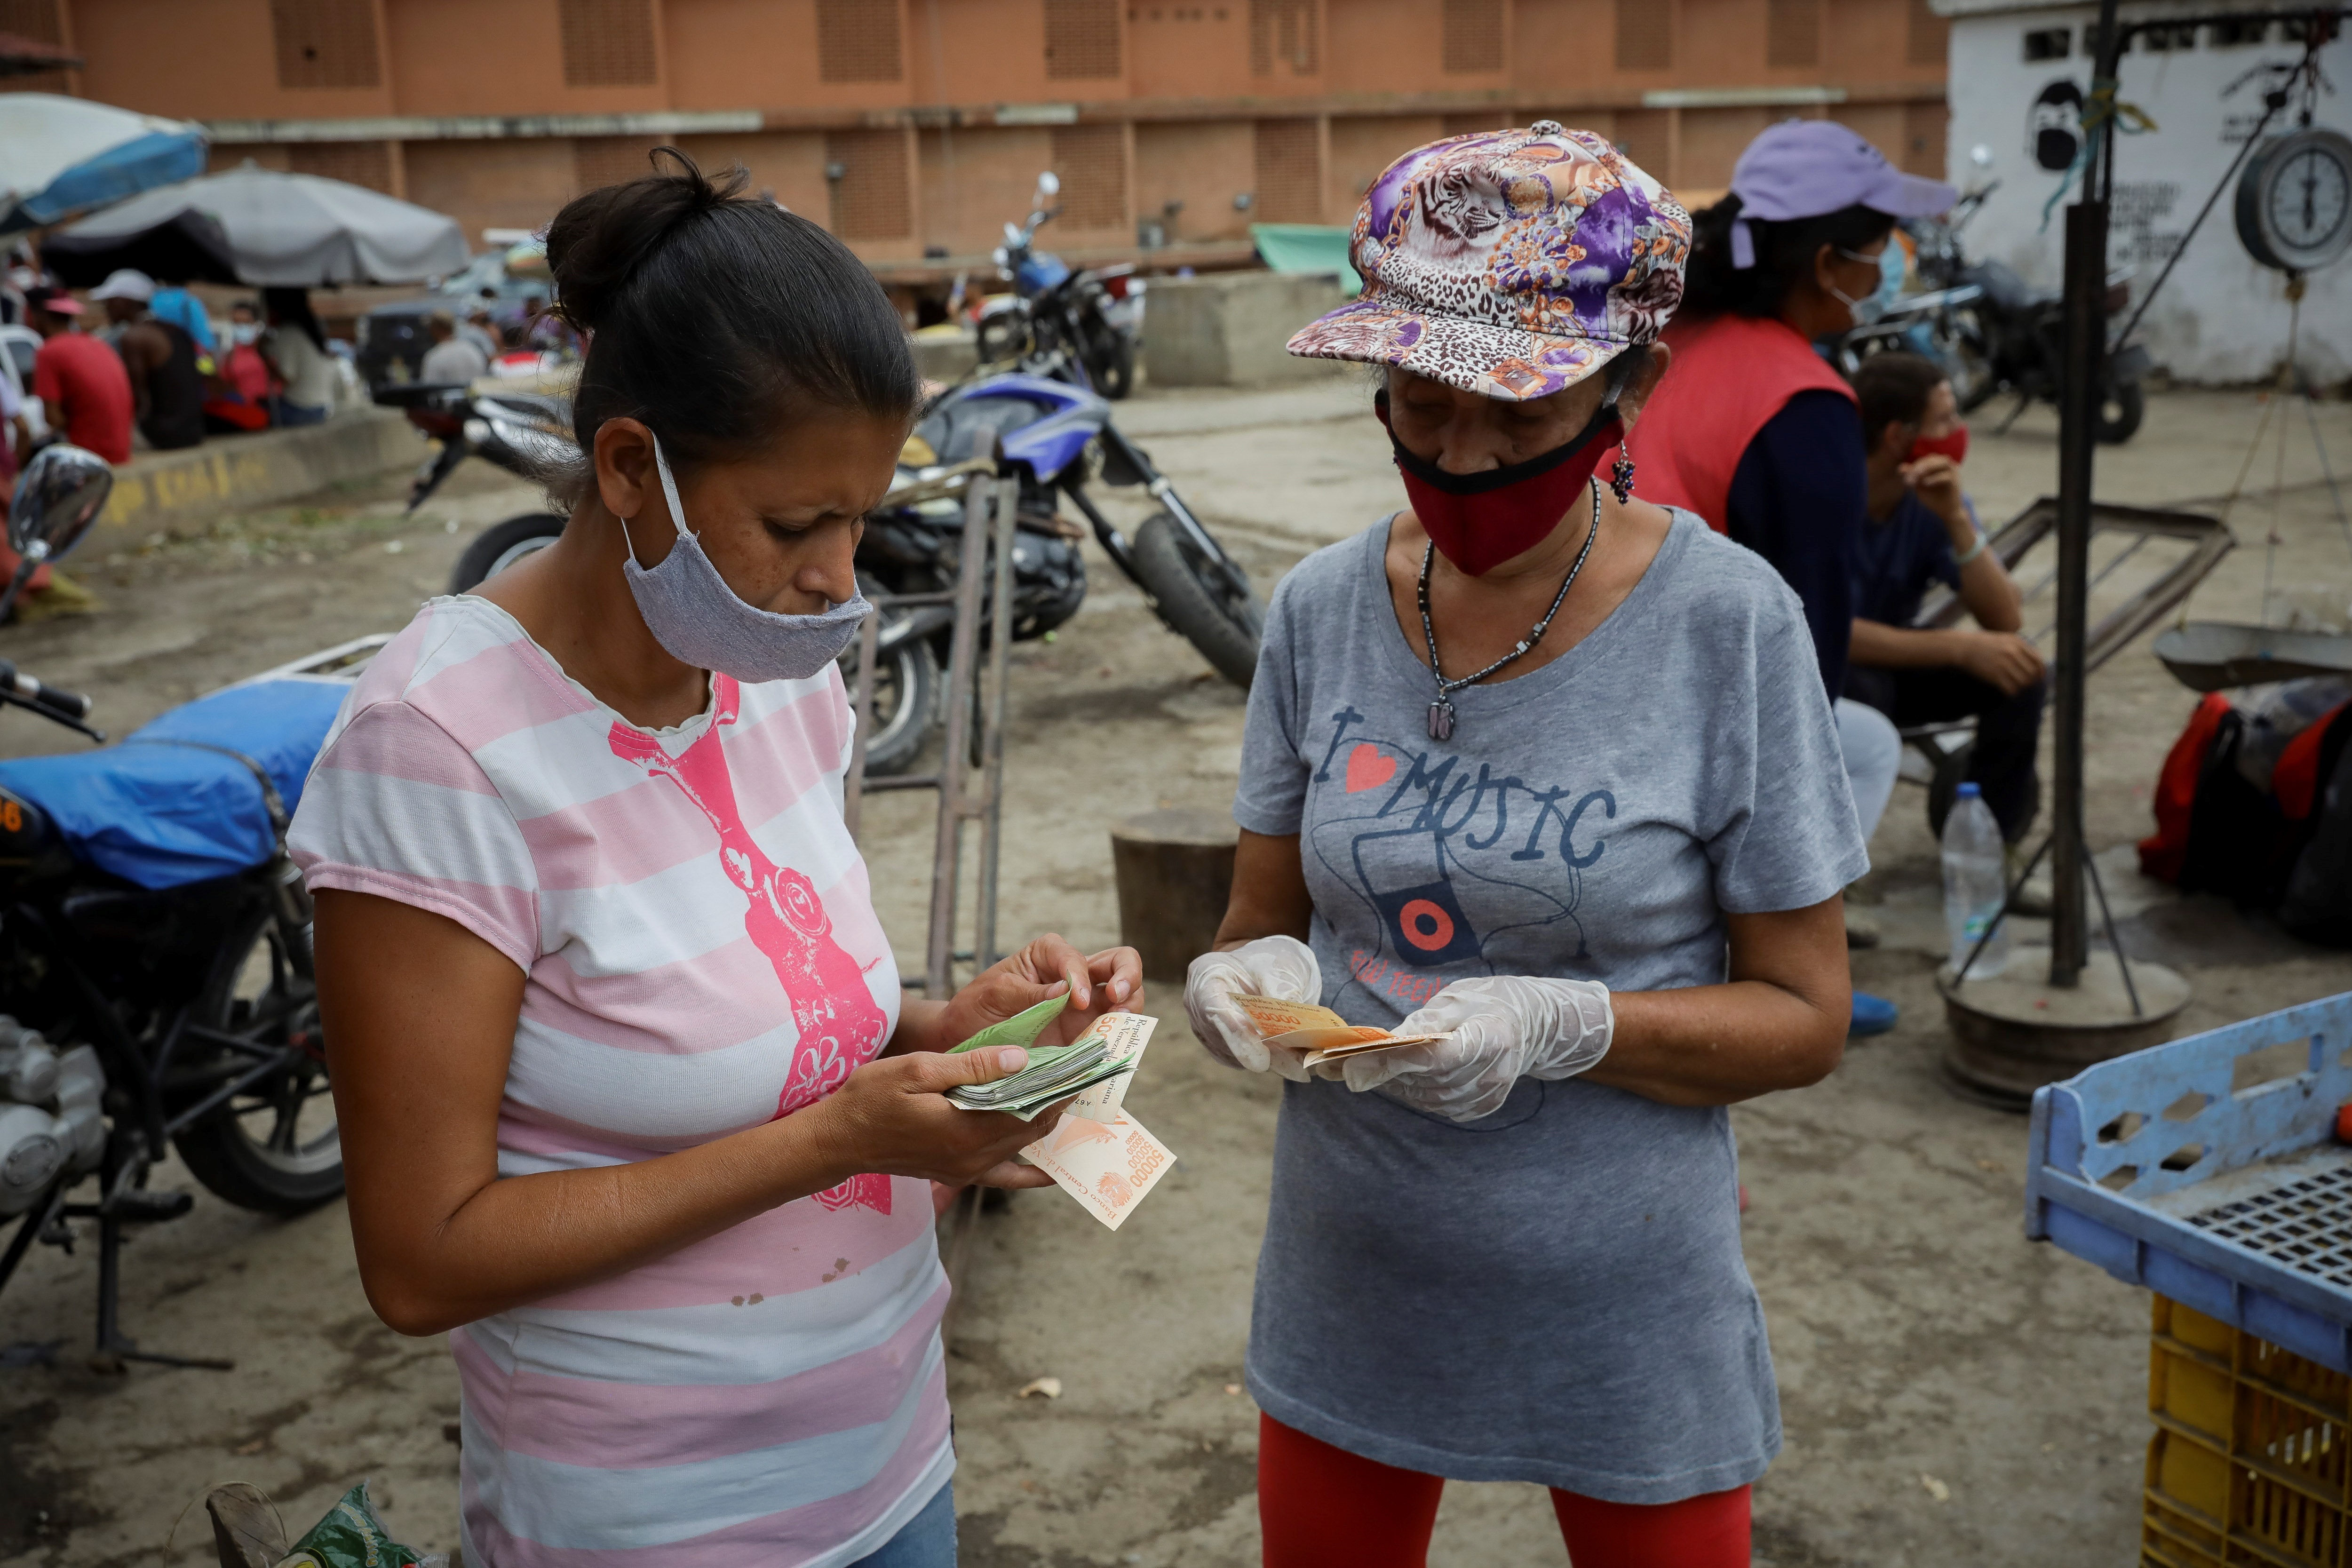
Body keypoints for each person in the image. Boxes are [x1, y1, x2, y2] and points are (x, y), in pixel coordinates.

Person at [291, 150, 1138, 1568]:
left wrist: (957, 1035)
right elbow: (423, 1257)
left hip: (889, 1456)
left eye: (859, 517)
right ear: (631, 468)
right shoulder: (438, 749)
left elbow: (789, 1032)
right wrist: (840, 1137)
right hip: (654, 1520)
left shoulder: (776, 674)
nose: (837, 577)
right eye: (797, 525)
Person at [1193, 123, 1861, 1568]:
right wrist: (1241, 976)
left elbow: (1806, 1017)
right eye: (1420, 409)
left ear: (1630, 387)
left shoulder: (1723, 627)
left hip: (1620, 1299)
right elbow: (1262, 912)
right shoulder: (1317, 610)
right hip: (1350, 1270)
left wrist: (1570, 1022)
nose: (1461, 457)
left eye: (1515, 417)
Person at [1622, 119, 1955, 1035]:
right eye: (1880, 250)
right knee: (1844, 738)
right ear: (1825, 263)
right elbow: (1809, 641)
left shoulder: (1669, 336)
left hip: (1590, 641)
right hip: (1672, 684)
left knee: (1857, 734)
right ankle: (1781, 964)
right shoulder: (1802, 401)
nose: (1886, 268)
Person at [1845, 352, 2048, 852]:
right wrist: (1957, 648)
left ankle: (1987, 850)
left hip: (1894, 661)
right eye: (1945, 419)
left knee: (2020, 672)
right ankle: (1832, 874)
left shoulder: (1931, 496)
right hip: (1823, 665)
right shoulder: (1827, 494)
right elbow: (1827, 632)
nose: (1958, 430)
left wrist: (1956, 519)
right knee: (1866, 693)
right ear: (1897, 435)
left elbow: (2005, 618)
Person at [91, 268, 206, 452]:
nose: (106, 308)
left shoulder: (133, 337)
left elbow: (137, 397)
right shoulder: (174, 329)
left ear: (126, 301)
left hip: (165, 436)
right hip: (194, 431)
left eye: (110, 302)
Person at [24, 285, 132, 464]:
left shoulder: (48, 352)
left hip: (90, 455)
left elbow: (53, 418)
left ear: (39, 316)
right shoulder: (97, 344)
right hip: (122, 451)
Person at [261, 286, 337, 426]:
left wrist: (263, 356)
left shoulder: (289, 332)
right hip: (322, 407)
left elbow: (287, 377)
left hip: (302, 409)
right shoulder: (311, 329)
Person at [147, 275, 218, 356]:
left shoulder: (151, 300)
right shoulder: (190, 302)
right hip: (182, 356)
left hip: (153, 355)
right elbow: (203, 336)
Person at [418, 305, 489, 384]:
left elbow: (429, 389)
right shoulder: (473, 350)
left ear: (437, 328)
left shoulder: (434, 357)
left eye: (431, 327)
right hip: (477, 396)